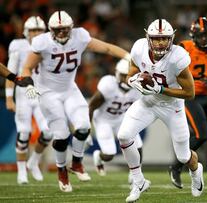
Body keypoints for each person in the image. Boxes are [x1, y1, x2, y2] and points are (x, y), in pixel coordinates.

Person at [21, 11, 131, 192]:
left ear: (71, 28)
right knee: (62, 135)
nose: (62, 33)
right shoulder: (42, 42)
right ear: (50, 30)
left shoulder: (80, 36)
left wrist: (128, 56)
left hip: (69, 89)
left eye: (65, 29)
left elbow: (108, 48)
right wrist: (29, 85)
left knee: (83, 126)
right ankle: (61, 171)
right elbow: (27, 67)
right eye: (58, 29)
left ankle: (77, 163)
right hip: (48, 92)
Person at [117, 19, 204, 202]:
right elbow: (131, 72)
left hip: (172, 107)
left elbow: (190, 93)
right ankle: (139, 181)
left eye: (164, 38)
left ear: (171, 39)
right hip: (148, 102)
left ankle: (196, 172)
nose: (160, 42)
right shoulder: (139, 48)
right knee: (124, 135)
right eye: (156, 38)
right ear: (148, 38)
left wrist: (161, 89)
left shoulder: (178, 56)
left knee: (183, 156)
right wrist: (133, 81)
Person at [168, 17, 207, 190]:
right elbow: (170, 68)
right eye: (200, 36)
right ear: (193, 36)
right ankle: (176, 166)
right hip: (189, 96)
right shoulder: (184, 47)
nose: (204, 39)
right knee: (202, 135)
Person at [5, 16, 51, 184]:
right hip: (24, 94)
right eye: (33, 30)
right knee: (24, 133)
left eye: (39, 30)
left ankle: (34, 162)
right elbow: (10, 74)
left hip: (42, 95)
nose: (36, 33)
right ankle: (21, 171)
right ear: (26, 32)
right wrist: (9, 98)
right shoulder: (18, 46)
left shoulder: (49, 45)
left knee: (48, 131)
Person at [89, 59, 143, 177]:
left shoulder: (138, 89)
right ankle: (99, 156)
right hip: (104, 120)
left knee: (137, 145)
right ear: (117, 74)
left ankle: (135, 175)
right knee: (109, 155)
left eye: (129, 76)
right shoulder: (108, 85)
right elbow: (91, 106)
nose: (126, 79)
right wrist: (87, 128)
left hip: (121, 119)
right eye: (124, 76)